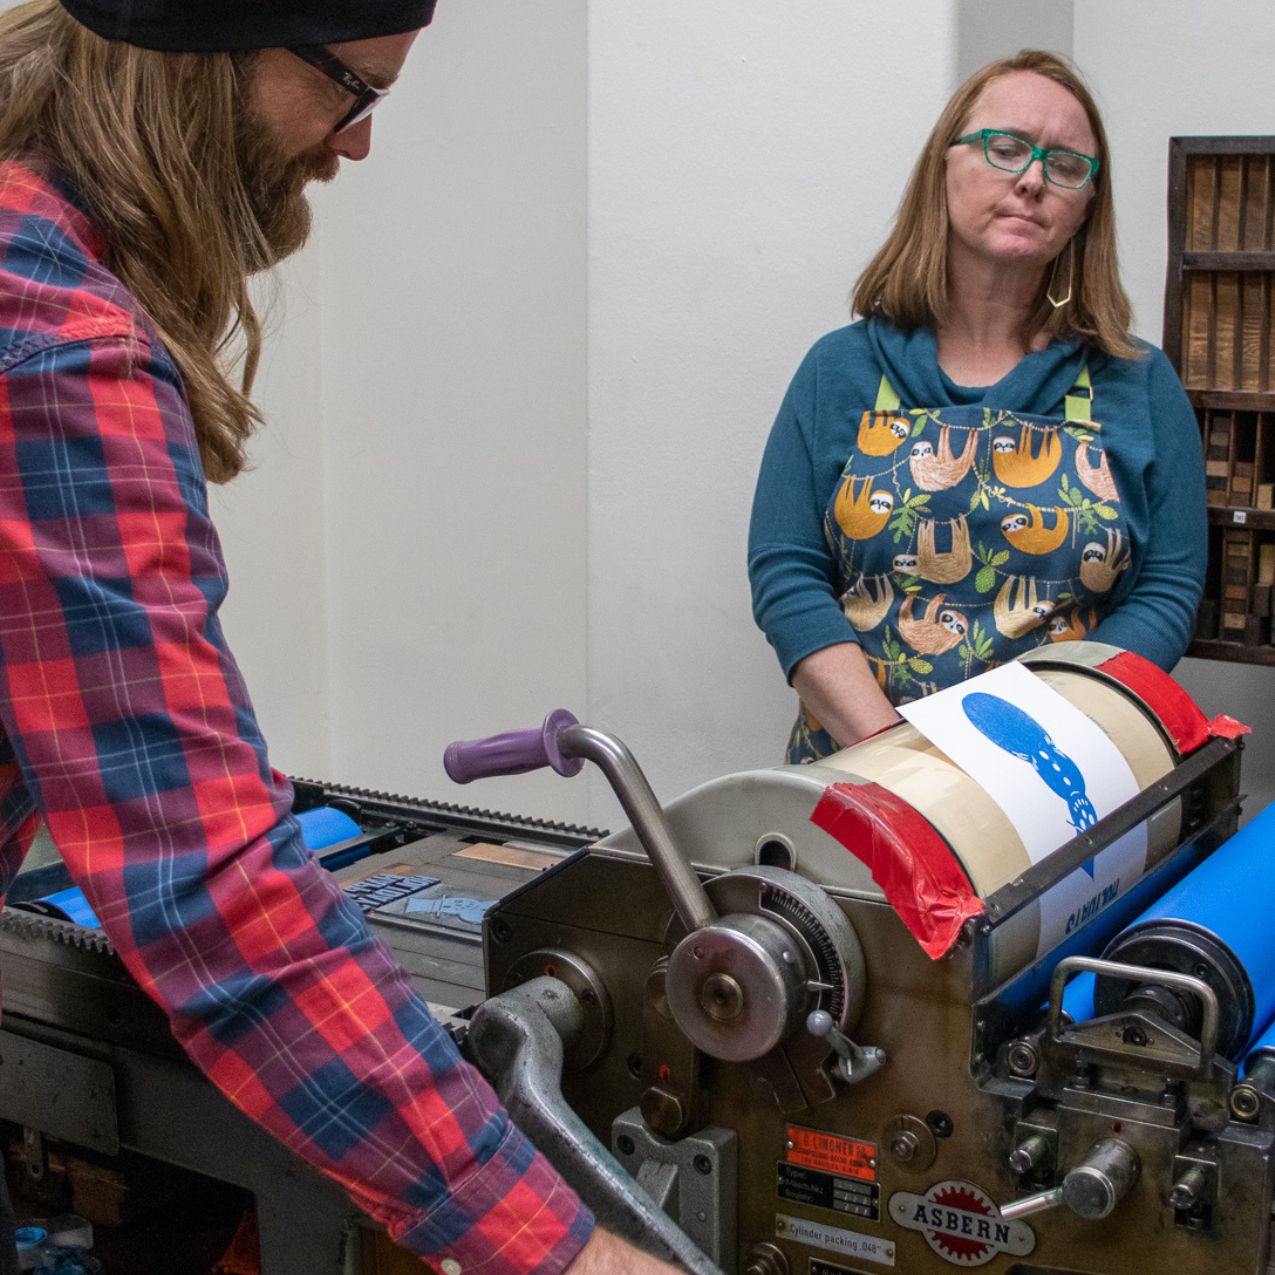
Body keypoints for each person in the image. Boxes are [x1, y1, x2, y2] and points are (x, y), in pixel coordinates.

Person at [0, 3, 681, 1272]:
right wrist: (560, 1252)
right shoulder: (53, 345)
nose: (354, 147)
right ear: (205, 44)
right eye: (353, 93)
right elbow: (200, 880)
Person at [748, 50, 1206, 764]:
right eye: (1005, 148)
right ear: (943, 167)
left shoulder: (1137, 381)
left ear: (1086, 206)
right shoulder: (836, 371)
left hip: (1058, 774)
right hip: (864, 774)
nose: (1030, 180)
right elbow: (786, 575)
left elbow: (1167, 592)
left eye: (1063, 165)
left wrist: (1025, 752)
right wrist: (895, 758)